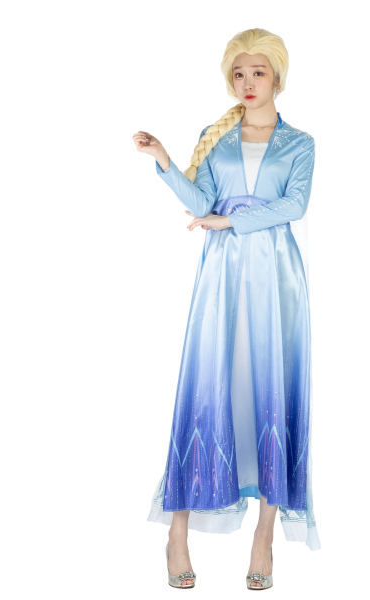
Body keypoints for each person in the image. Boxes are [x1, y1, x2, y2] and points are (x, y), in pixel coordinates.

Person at [132, 27, 319, 590]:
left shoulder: (300, 143)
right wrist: (166, 161)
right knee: (207, 385)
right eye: (238, 73)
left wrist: (230, 219)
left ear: (278, 77)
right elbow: (200, 202)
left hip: (277, 279)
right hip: (222, 275)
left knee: (270, 391)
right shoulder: (215, 137)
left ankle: (264, 534)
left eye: (258, 72)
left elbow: (294, 205)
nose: (247, 82)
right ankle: (177, 531)